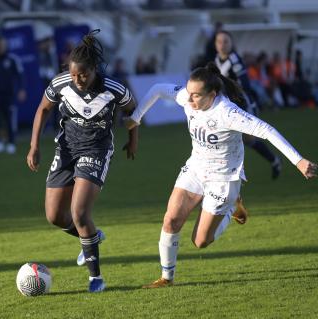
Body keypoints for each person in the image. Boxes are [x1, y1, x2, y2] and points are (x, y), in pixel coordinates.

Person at [123, 62, 318, 288]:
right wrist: (135, 118)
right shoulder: (187, 98)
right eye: (189, 93)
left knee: (200, 241)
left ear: (212, 95)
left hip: (223, 179)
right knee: (171, 219)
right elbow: (157, 88)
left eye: (196, 96)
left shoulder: (228, 113)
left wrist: (298, 160)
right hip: (196, 168)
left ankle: (232, 207)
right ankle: (167, 278)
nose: (189, 100)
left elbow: (266, 130)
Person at [26, 30, 138, 293]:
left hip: (96, 150)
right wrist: (34, 146)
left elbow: (132, 110)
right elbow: (42, 109)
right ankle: (92, 237)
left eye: (83, 75)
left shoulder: (114, 88)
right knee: (54, 216)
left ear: (95, 69)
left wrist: (134, 139)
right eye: (74, 75)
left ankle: (95, 278)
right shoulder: (60, 83)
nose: (78, 80)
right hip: (65, 150)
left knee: (79, 213)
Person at [215, 30, 282, 179]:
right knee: (237, 140)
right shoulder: (217, 59)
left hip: (243, 104)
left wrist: (227, 91)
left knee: (246, 139)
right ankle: (273, 161)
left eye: (226, 41)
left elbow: (244, 84)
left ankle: (272, 161)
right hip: (228, 106)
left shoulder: (235, 60)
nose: (222, 45)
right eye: (219, 41)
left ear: (232, 43)